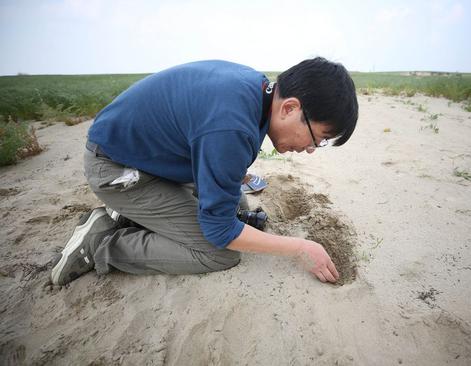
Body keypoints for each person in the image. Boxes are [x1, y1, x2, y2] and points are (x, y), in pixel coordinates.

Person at [50, 57, 358, 286]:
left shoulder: (257, 89)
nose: (311, 149)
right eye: (317, 137)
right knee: (220, 253)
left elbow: (211, 145)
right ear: (290, 108)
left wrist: (238, 178)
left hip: (144, 158)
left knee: (238, 208)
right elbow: (220, 231)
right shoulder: (232, 124)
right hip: (115, 169)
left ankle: (129, 214)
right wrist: (301, 247)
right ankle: (100, 245)